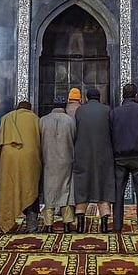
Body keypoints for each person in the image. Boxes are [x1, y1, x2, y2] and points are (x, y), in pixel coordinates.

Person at [0, 100, 41, 233]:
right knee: (30, 188)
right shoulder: (35, 119)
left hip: (8, 159)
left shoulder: (6, 118)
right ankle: (32, 225)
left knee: (8, 189)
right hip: (29, 159)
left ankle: (5, 224)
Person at [109, 82, 138, 233]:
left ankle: (117, 225)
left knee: (118, 193)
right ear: (136, 95)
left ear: (123, 95)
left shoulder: (114, 113)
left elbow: (111, 134)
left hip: (120, 157)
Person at [73, 87, 115, 233]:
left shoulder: (80, 111)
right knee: (103, 188)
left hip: (83, 155)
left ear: (86, 98)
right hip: (104, 155)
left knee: (82, 188)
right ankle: (104, 226)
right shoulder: (107, 110)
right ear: (99, 98)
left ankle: (80, 226)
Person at [39, 96, 76, 233]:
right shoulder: (70, 121)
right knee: (66, 191)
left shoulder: (43, 121)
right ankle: (66, 224)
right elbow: (75, 139)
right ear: (64, 106)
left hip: (48, 160)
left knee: (49, 191)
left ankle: (49, 225)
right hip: (66, 160)